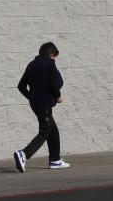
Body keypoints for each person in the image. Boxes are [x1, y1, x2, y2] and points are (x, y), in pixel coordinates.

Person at [13, 41, 70, 172]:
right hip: (44, 104)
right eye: (55, 57)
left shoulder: (32, 64)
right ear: (51, 55)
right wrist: (58, 96)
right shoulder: (49, 64)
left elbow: (21, 86)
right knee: (45, 131)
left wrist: (32, 97)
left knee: (53, 131)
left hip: (35, 104)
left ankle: (55, 160)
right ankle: (24, 154)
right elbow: (53, 83)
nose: (55, 60)